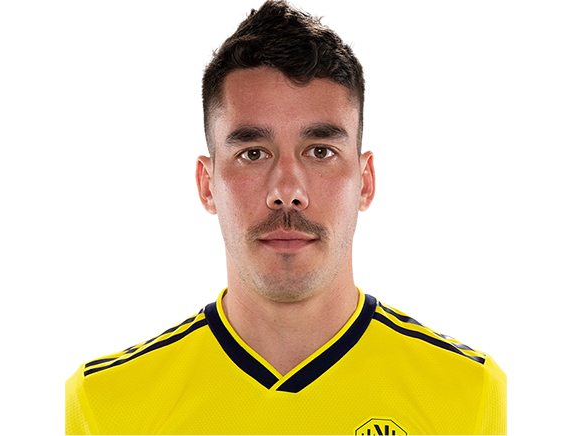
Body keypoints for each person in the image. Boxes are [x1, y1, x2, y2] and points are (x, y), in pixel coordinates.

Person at [64, 1, 507, 434]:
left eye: (321, 152)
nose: (287, 192)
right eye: (253, 153)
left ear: (366, 182)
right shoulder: (103, 407)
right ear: (207, 185)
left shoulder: (472, 398)